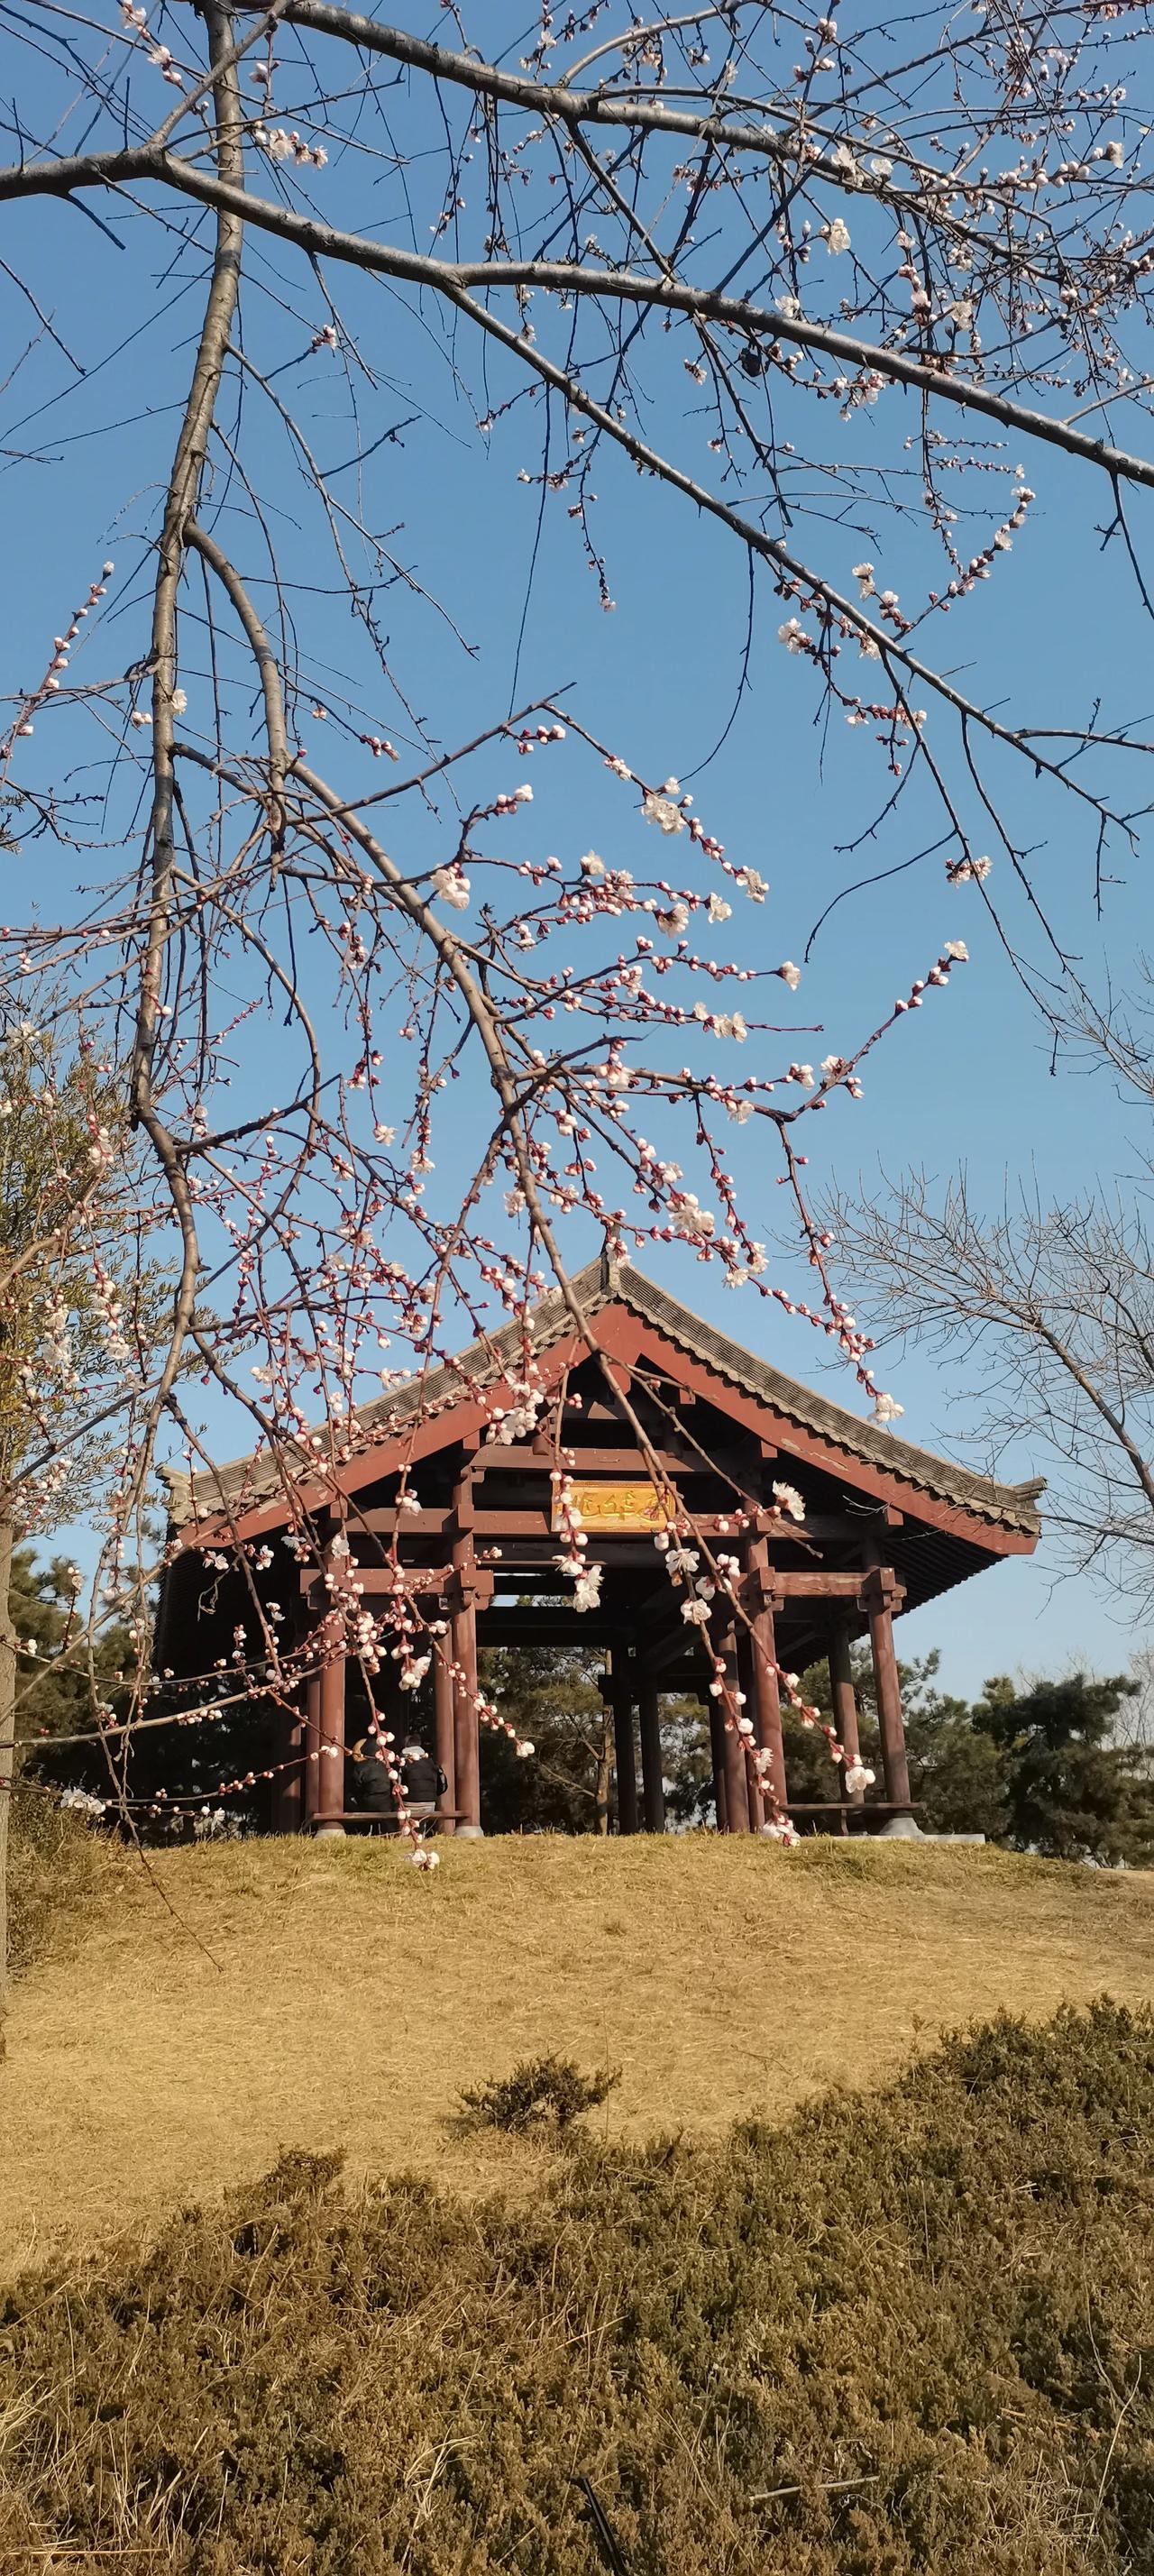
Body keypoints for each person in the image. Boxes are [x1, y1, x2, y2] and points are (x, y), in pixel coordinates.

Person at [399, 1736, 448, 1826]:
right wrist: (433, 1795)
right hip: (430, 1804)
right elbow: (443, 1785)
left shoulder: (403, 1764)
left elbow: (398, 1785)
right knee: (421, 1826)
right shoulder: (431, 1763)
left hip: (409, 1803)